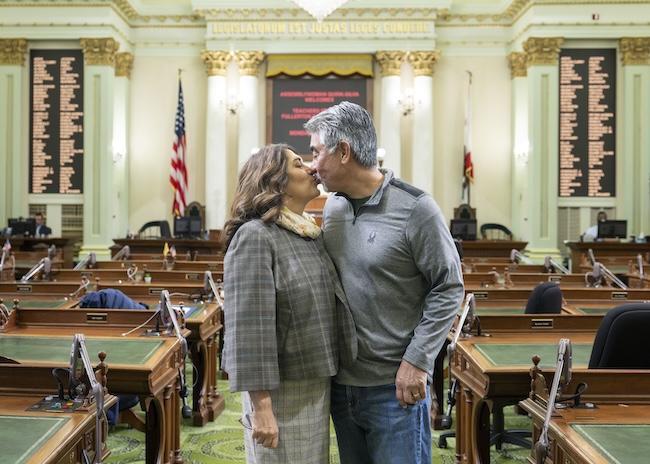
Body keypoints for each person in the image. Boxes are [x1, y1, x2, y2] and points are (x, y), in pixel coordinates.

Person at [304, 101, 464, 464]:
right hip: (342, 388)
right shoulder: (333, 208)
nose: (312, 165)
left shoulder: (417, 208)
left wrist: (418, 362)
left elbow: (449, 287)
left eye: (316, 152)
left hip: (395, 388)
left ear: (343, 151)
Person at [221, 144, 357, 464]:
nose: (312, 168)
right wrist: (262, 407)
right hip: (280, 391)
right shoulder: (256, 236)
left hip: (314, 382)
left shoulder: (306, 233)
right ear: (276, 181)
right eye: (299, 164)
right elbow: (249, 328)